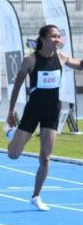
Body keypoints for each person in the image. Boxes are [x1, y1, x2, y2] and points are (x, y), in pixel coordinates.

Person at [6, 24, 83, 211]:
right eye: (53, 36)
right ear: (42, 39)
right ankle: (12, 134)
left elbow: (80, 65)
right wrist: (10, 111)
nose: (57, 40)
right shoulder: (30, 60)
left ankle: (36, 196)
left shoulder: (61, 57)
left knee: (46, 157)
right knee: (13, 155)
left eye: (58, 36)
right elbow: (16, 86)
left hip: (52, 111)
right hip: (33, 111)